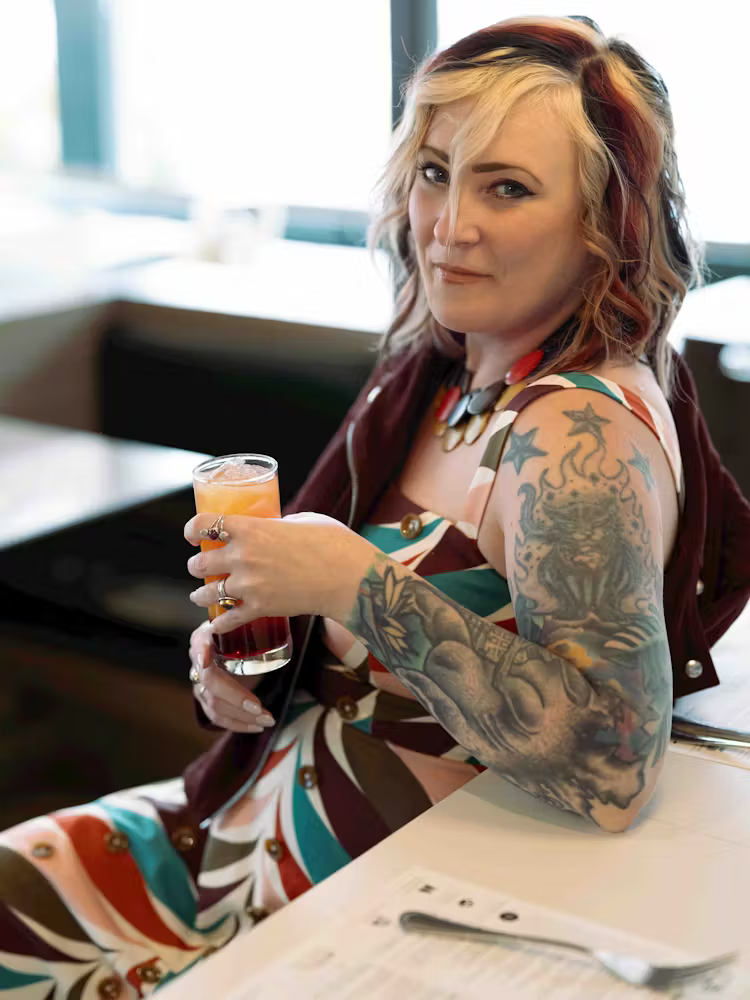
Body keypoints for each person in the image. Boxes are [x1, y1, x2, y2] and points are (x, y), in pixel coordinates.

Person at [1, 14, 749, 997]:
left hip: (370, 897)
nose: (449, 224)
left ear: (608, 221)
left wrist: (353, 582)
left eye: (509, 187)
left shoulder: (578, 434)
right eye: (435, 172)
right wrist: (245, 660)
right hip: (238, 838)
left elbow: (611, 766)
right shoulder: (448, 373)